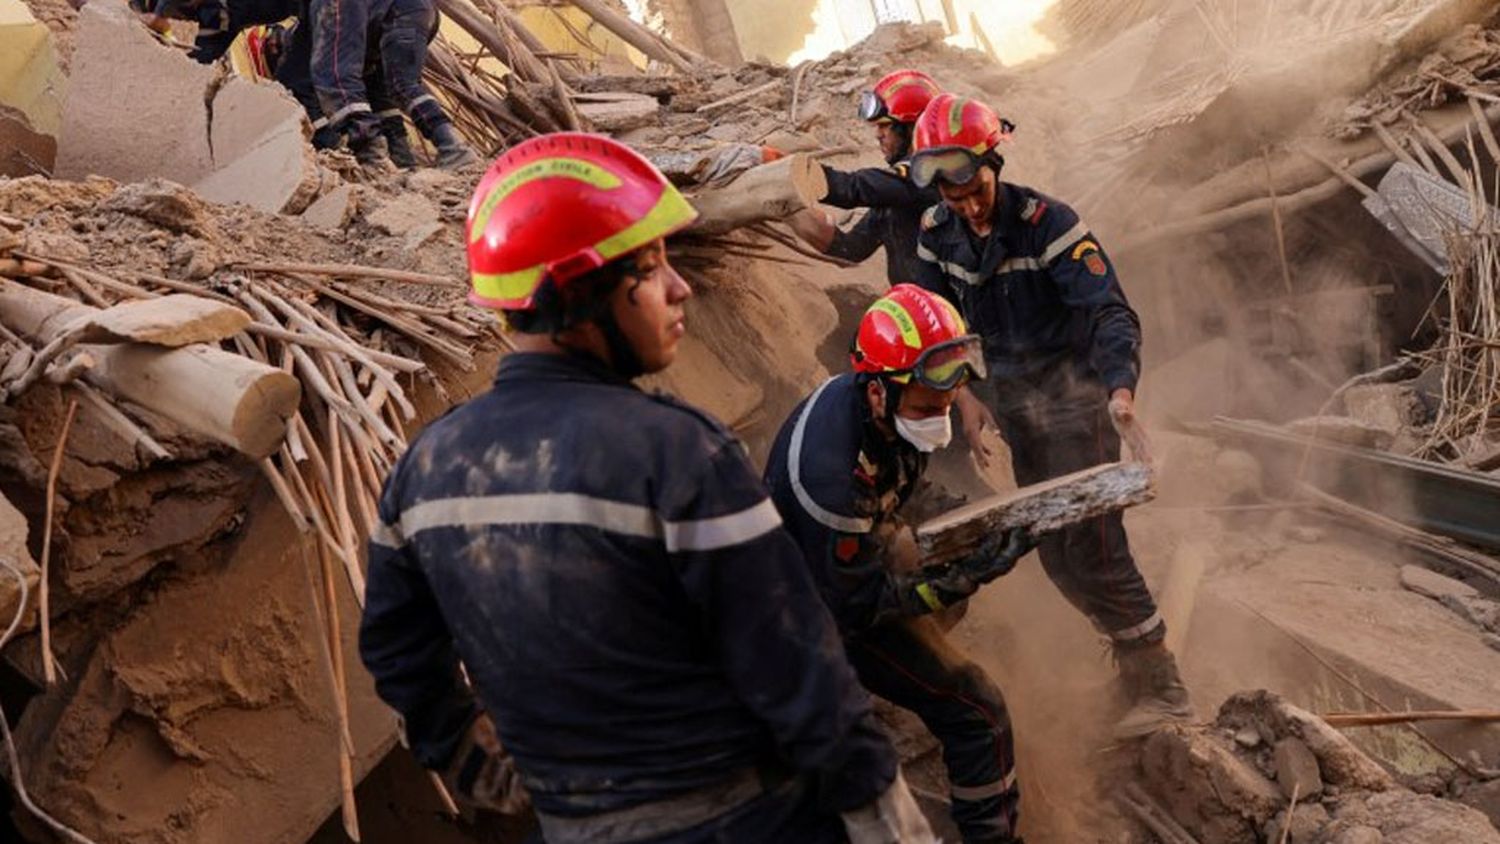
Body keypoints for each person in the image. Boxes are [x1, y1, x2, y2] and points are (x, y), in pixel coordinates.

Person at [358, 133, 933, 844]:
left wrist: (472, 762)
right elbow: (797, 665)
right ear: (583, 291)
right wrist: (885, 813)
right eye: (653, 266)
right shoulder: (676, 452)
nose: (680, 286)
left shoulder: (424, 471)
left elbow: (394, 649)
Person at [907, 94, 1192, 738]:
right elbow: (940, 325)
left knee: (1095, 548)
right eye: (952, 198)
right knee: (1055, 554)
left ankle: (1165, 688)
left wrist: (1120, 390)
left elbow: (1108, 312)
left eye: (975, 190)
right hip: (1016, 411)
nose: (968, 206)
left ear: (994, 165)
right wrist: (967, 394)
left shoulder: (1048, 223)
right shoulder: (935, 235)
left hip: (1077, 404)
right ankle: (1129, 667)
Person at [766, 284, 1035, 844]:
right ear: (876, 391)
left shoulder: (889, 406)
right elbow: (858, 606)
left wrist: (970, 525)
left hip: (847, 568)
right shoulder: (831, 479)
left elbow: (903, 486)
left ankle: (896, 679)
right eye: (926, 404)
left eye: (947, 400)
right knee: (977, 707)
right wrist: (969, 572)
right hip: (818, 616)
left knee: (944, 583)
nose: (939, 416)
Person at [789, 69, 945, 285]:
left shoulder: (928, 176)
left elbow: (853, 188)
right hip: (915, 310)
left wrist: (789, 171)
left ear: (912, 127)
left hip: (948, 314)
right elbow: (850, 248)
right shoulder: (894, 196)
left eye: (885, 125)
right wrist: (790, 209)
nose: (878, 134)